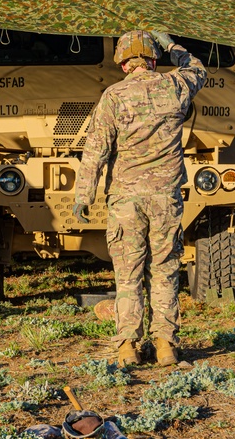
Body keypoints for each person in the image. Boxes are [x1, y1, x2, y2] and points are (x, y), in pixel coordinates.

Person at [74, 30, 205, 367]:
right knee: (165, 270)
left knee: (128, 274)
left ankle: (128, 347)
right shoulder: (175, 85)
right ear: (153, 59)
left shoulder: (114, 95)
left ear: (122, 63)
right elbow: (198, 69)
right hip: (166, 198)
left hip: (126, 200)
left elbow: (96, 149)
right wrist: (172, 44)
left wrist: (84, 194)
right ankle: (165, 346)